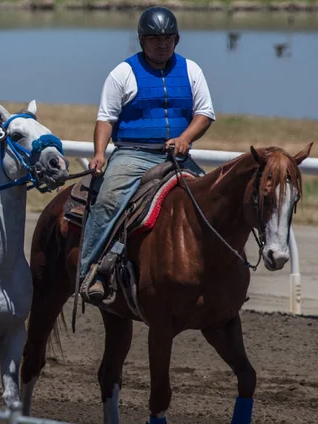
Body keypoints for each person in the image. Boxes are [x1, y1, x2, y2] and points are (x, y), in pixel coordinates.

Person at [80, 6, 216, 300]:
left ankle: (220, 274)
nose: (161, 43)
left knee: (213, 203)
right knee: (107, 202)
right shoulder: (123, 72)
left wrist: (185, 137)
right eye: (154, 38)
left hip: (177, 158)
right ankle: (91, 271)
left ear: (176, 39)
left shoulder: (192, 70)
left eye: (167, 37)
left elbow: (204, 113)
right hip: (133, 156)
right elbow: (106, 118)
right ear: (142, 40)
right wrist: (100, 154)